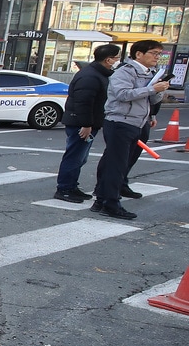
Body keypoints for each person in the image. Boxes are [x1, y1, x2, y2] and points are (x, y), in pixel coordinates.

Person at [93, 40, 171, 220]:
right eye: (153, 53)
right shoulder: (125, 71)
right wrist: (152, 88)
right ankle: (110, 203)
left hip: (137, 122)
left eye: (159, 54)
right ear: (139, 54)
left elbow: (150, 100)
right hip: (121, 122)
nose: (157, 57)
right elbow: (122, 94)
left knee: (121, 163)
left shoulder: (149, 73)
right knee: (116, 164)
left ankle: (102, 199)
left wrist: (159, 90)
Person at [54, 43, 120, 203]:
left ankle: (71, 186)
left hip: (87, 121)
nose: (119, 60)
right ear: (108, 59)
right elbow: (83, 102)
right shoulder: (90, 76)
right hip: (81, 123)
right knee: (75, 156)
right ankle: (64, 188)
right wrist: (86, 124)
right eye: (117, 57)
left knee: (80, 157)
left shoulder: (100, 74)